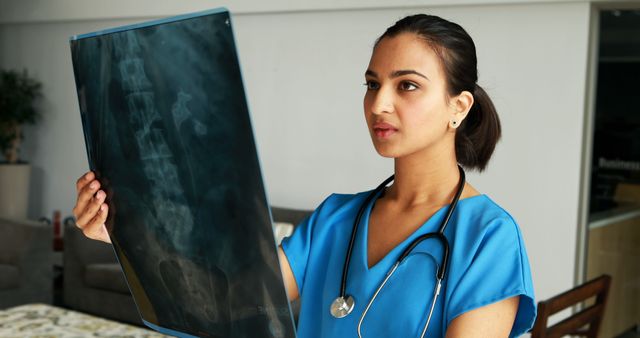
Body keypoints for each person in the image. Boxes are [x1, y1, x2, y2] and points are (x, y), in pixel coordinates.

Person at [73, 13, 535, 338]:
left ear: (459, 107)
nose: (379, 104)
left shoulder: (489, 237)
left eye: (407, 85)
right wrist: (124, 232)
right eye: (372, 84)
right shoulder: (336, 217)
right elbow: (228, 302)